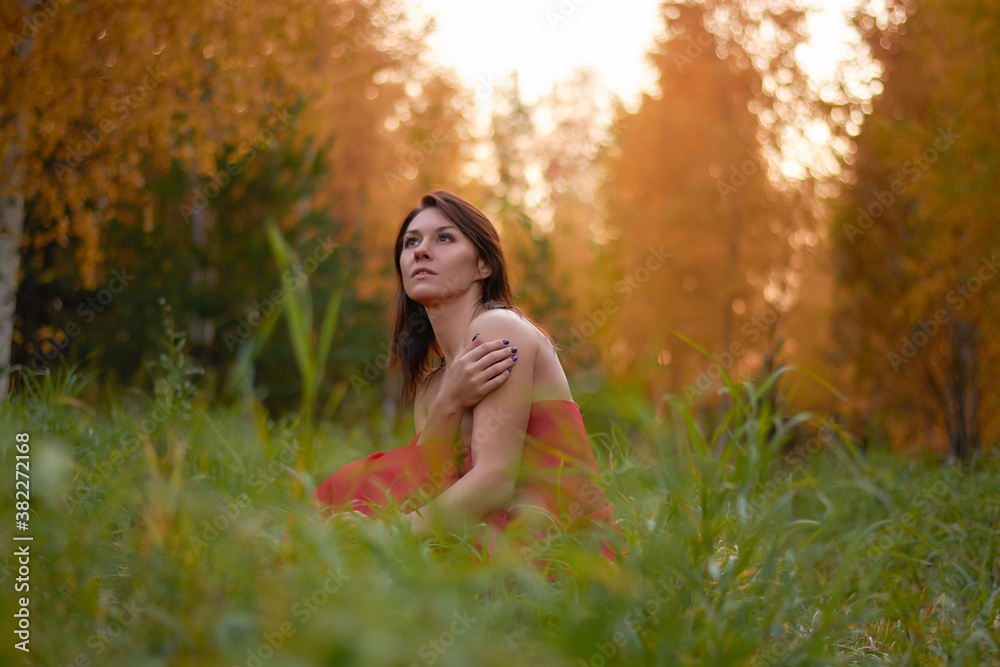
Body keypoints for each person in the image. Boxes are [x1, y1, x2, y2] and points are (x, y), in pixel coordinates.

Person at [311, 190, 621, 564]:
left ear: (483, 267)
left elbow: (494, 481)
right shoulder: (431, 388)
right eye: (411, 242)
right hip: (484, 551)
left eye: (444, 238)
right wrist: (449, 401)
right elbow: (427, 487)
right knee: (342, 517)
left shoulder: (498, 329)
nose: (420, 251)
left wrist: (383, 535)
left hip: (557, 557)